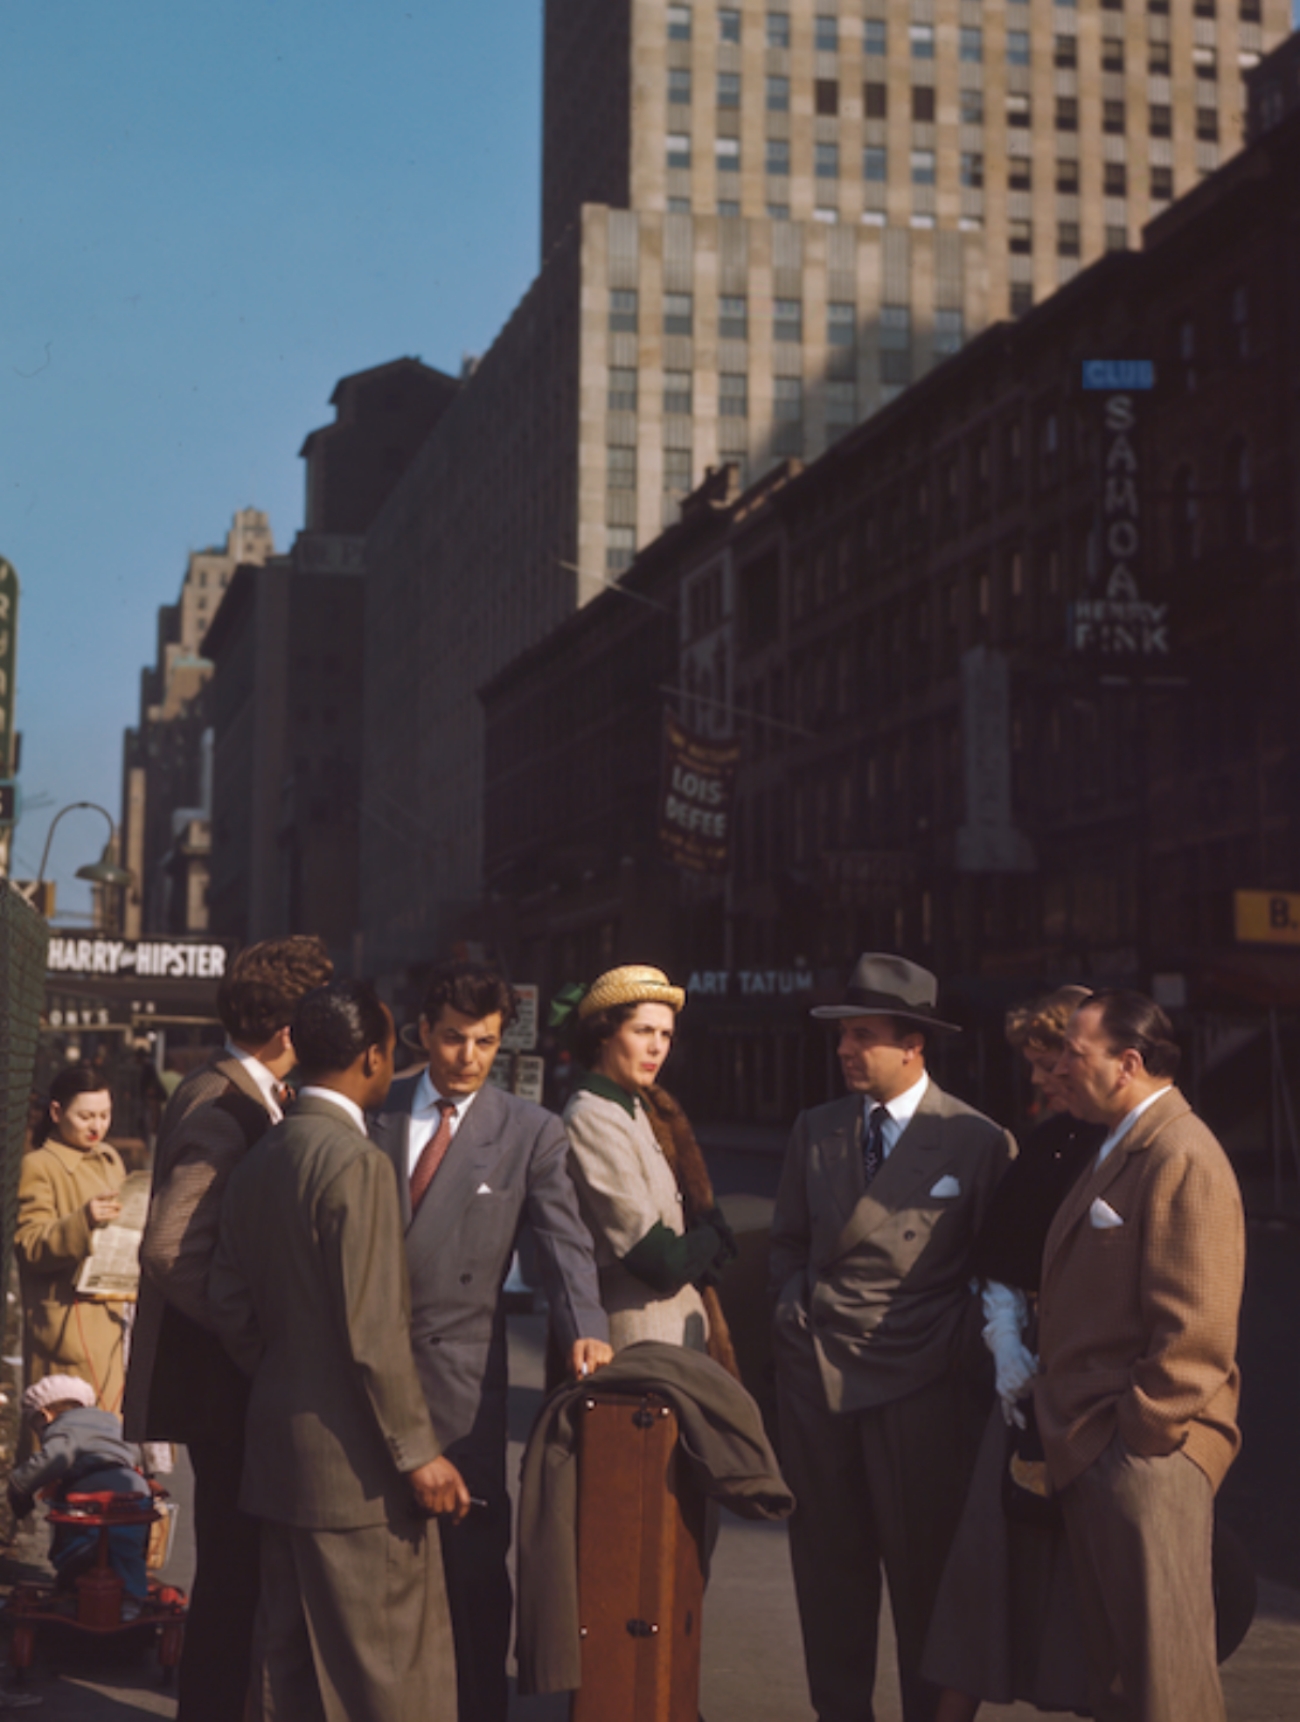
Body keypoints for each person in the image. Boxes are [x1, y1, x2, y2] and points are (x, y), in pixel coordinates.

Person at [769, 953, 1016, 1722]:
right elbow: (787, 1242)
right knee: (829, 1577)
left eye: (864, 1037)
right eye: (843, 1036)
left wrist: (957, 1355)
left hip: (920, 1388)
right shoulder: (815, 1129)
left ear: (915, 1045)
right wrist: (791, 1312)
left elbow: (999, 1272)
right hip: (820, 1382)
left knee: (925, 1581)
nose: (846, 1051)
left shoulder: (975, 1140)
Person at [210, 979, 464, 1722]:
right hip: (359, 1474)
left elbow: (228, 1300)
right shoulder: (357, 1163)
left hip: (280, 1452)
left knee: (283, 1677)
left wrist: (291, 1367)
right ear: (373, 1057)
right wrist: (419, 1454)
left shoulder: (262, 1156)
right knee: (388, 1682)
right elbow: (374, 1329)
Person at [368, 960, 612, 1722]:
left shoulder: (529, 1130)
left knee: (471, 1572)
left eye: (485, 1042)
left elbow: (563, 1242)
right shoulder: (374, 1110)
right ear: (421, 1034)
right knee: (375, 1565)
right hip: (366, 1366)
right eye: (452, 1039)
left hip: (464, 1376)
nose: (468, 1058)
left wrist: (589, 1332)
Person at [123, 933, 333, 1722]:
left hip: (223, 1383)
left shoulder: (236, 1088)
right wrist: (255, 1340)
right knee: (232, 1581)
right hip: (219, 1385)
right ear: (287, 1032)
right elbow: (172, 1247)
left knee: (237, 1576)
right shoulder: (223, 1103)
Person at [1035, 990, 1245, 1722]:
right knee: (1123, 1679)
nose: (1060, 1066)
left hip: (1141, 1454)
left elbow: (1199, 1332)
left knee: (1167, 1681)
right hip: (1104, 1445)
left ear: (1127, 1063)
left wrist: (1136, 1435)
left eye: (1075, 1053)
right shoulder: (1124, 1143)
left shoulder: (1183, 1152)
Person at [924, 986, 1104, 1720]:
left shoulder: (1124, 1146)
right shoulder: (1047, 1141)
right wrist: (1003, 1340)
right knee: (984, 1567)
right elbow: (1001, 1251)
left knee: (1090, 1589)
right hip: (1022, 1384)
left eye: (1046, 1061)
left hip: (1095, 1393)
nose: (1036, 1079)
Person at [558, 966, 739, 1366]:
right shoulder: (591, 1116)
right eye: (643, 1031)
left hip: (679, 1334)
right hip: (639, 1337)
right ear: (605, 1034)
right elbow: (659, 1260)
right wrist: (711, 1237)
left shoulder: (641, 1106)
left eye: (666, 1035)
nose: (657, 1047)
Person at [16, 1066, 128, 1416]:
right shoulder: (39, 1166)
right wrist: (83, 1222)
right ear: (56, 1112)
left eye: (105, 1115)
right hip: (66, 1323)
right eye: (85, 1116)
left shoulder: (110, 1160)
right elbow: (30, 1243)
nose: (97, 1126)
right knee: (64, 1440)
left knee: (110, 1437)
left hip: (114, 1316)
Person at [8, 1374, 152, 1606]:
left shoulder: (64, 1429)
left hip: (91, 1491)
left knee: (79, 1539)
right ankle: (133, 1601)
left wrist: (19, 1486)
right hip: (134, 1490)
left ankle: (73, 1584)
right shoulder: (111, 1422)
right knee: (127, 1550)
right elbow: (135, 1453)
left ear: (44, 1416)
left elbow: (53, 1458)